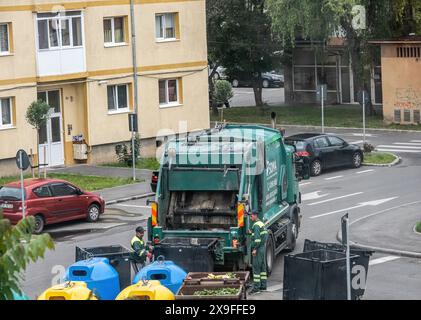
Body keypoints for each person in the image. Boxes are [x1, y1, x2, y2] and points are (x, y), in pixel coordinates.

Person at [249, 211, 268, 294]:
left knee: (256, 268)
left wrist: (254, 249)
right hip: (262, 248)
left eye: (251, 216)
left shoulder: (256, 225)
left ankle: (256, 288)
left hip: (258, 248)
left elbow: (257, 240)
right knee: (262, 268)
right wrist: (252, 233)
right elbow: (261, 236)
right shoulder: (261, 223)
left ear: (255, 216)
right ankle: (263, 286)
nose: (250, 217)